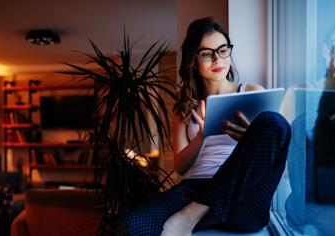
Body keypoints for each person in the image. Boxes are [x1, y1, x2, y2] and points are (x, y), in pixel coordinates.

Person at [118, 17, 291, 236]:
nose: (217, 59)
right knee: (131, 227)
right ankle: (202, 209)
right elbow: (180, 166)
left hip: (243, 196)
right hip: (196, 188)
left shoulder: (252, 91)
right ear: (193, 61)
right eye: (207, 53)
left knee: (275, 123)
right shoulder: (184, 108)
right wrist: (201, 136)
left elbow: (281, 167)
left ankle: (195, 212)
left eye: (222, 50)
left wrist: (251, 141)